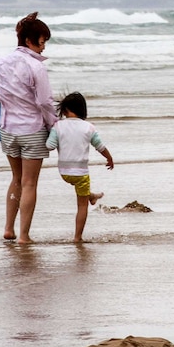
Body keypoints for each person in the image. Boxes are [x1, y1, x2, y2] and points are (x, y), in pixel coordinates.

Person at [0, 12, 58, 244]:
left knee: (16, 179)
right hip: (32, 130)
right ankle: (24, 235)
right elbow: (45, 102)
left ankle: (9, 228)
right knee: (29, 183)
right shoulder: (36, 67)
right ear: (29, 40)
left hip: (7, 130)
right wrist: (55, 125)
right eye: (41, 40)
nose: (43, 46)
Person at [46, 92, 114, 243]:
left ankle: (92, 196)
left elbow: (49, 146)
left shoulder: (58, 126)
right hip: (81, 173)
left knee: (81, 192)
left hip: (64, 173)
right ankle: (77, 237)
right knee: (82, 205)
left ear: (64, 110)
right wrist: (109, 158)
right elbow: (100, 146)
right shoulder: (88, 127)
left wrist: (49, 133)